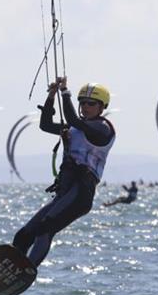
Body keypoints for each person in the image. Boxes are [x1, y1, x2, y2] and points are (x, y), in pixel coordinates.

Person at [12, 77, 116, 268]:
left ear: (102, 107)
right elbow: (45, 125)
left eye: (91, 104)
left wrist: (65, 91)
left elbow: (73, 119)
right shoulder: (75, 128)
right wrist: (51, 96)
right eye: (82, 103)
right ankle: (10, 270)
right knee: (23, 235)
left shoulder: (102, 128)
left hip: (81, 193)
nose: (85, 107)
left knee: (45, 229)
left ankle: (27, 270)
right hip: (65, 192)